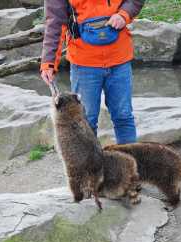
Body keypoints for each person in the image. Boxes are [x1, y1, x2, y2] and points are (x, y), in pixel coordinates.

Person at [40, 0, 145, 144]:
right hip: (83, 62)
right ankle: (89, 166)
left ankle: (131, 163)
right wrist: (49, 63)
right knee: (86, 121)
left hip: (119, 58)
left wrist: (123, 15)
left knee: (123, 116)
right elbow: (55, 23)